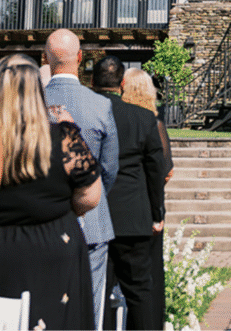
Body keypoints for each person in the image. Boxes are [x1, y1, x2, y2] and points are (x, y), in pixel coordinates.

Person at [0, 54, 101, 330]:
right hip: (56, 241)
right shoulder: (64, 136)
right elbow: (91, 194)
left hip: (3, 244)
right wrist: (65, 206)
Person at [44, 28, 119, 331]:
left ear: (45, 59)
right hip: (92, 218)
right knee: (91, 306)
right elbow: (109, 167)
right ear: (80, 57)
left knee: (46, 306)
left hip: (44, 218)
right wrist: (92, 195)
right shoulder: (101, 105)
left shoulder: (31, 105)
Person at [92, 57, 166, 331]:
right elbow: (155, 170)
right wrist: (157, 213)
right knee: (139, 292)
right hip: (133, 218)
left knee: (95, 293)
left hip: (94, 213)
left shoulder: (85, 113)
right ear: (122, 84)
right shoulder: (144, 117)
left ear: (91, 81)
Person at [121, 68, 174, 331]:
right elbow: (166, 169)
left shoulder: (118, 118)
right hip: (148, 206)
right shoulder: (154, 122)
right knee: (149, 278)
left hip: (127, 208)